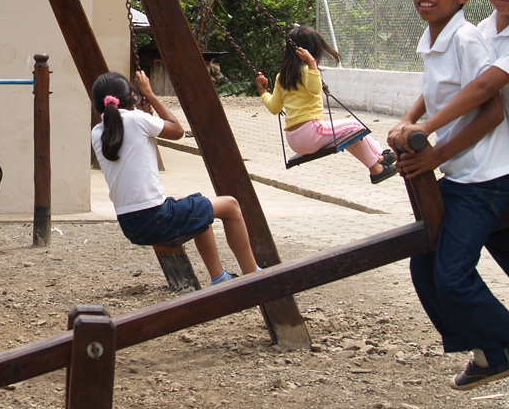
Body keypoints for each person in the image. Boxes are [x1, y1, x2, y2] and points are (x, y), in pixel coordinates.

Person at [387, 0, 509, 390]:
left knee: (453, 276)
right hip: (464, 174)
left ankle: (500, 344)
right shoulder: (440, 37)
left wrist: (434, 154)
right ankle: (487, 352)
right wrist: (409, 119)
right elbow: (444, 89)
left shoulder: (466, 36)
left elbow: (488, 106)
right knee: (425, 263)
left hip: (487, 179)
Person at [91, 71, 259, 285]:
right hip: (154, 218)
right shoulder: (137, 120)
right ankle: (254, 275)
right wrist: (150, 94)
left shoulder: (97, 132)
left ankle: (220, 277)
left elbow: (131, 139)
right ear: (130, 98)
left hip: (130, 224)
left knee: (199, 208)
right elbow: (178, 130)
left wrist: (145, 116)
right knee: (231, 206)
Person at [256, 25, 398, 184]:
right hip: (311, 132)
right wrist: (311, 63)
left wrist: (263, 91)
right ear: (313, 52)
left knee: (349, 136)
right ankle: (377, 164)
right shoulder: (307, 70)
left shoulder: (282, 77)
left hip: (294, 140)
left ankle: (378, 160)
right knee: (354, 125)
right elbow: (315, 88)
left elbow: (274, 108)